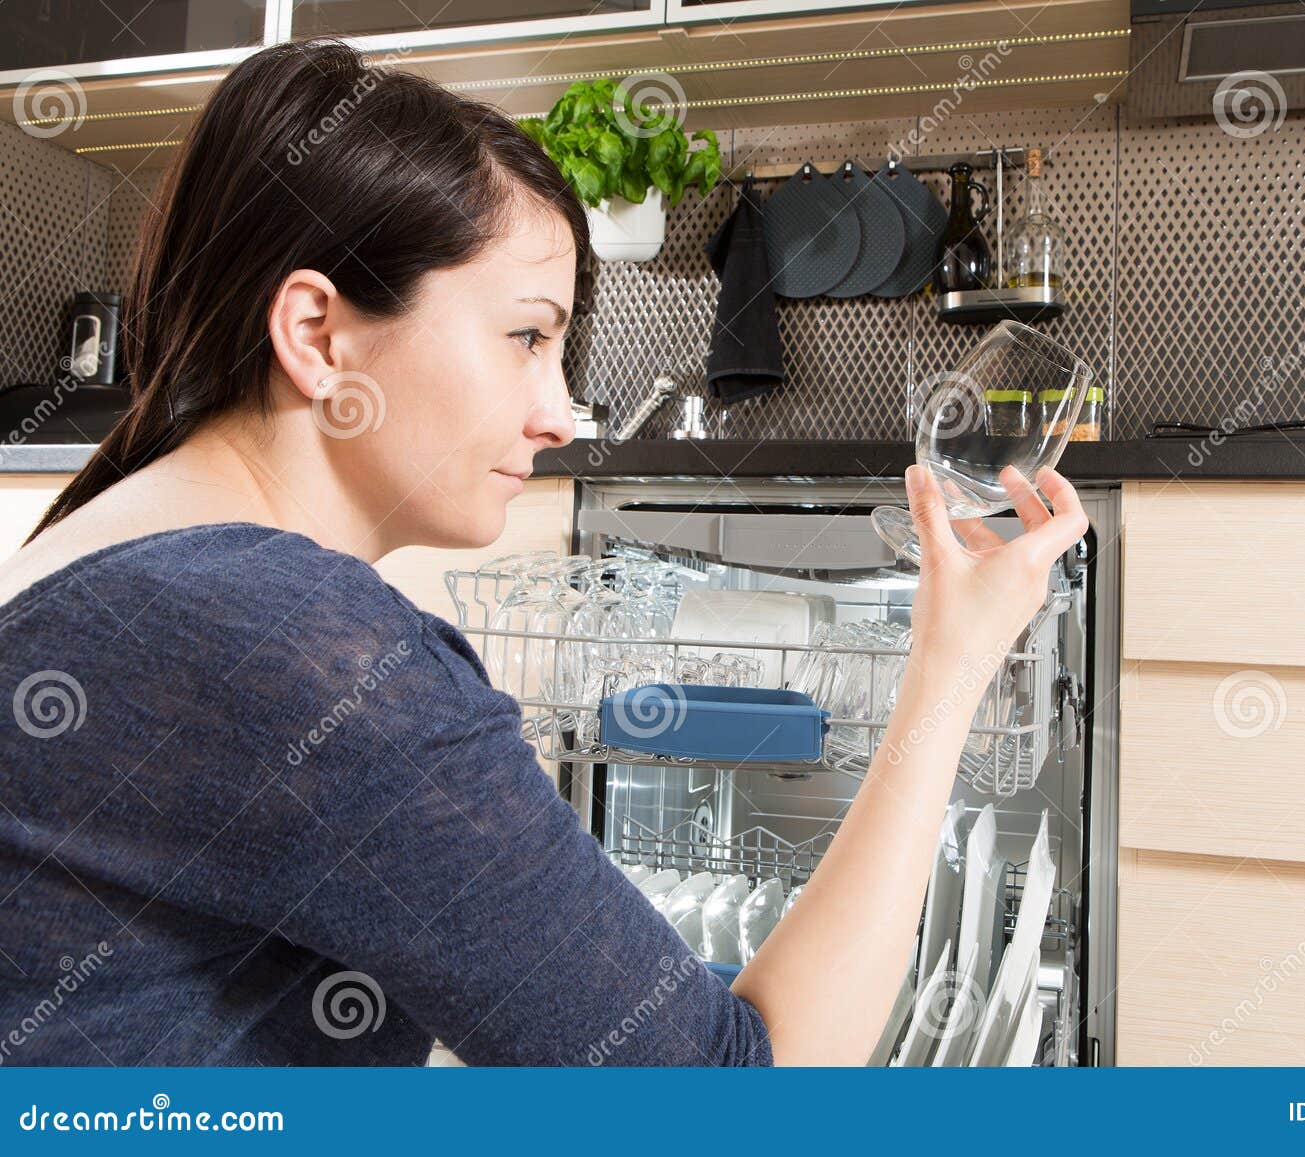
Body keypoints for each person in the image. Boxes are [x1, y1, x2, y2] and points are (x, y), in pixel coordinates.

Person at [0, 39, 1087, 1066]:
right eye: (526, 336)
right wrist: (950, 665)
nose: (563, 415)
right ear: (319, 337)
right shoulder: (305, 655)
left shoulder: (93, 541)